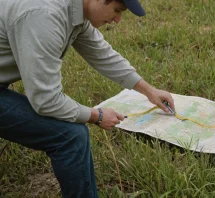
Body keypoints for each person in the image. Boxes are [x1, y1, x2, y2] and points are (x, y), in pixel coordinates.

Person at [0, 0, 175, 197]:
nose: (118, 19)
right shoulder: (44, 17)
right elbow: (46, 100)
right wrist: (97, 116)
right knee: (72, 136)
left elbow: (102, 54)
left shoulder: (74, 9)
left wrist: (149, 91)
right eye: (117, 10)